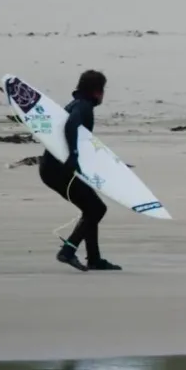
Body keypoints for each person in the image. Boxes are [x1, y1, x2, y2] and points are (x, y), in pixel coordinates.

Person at [38, 69, 122, 272]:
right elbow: (71, 125)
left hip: (52, 168)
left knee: (92, 208)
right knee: (97, 209)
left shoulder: (75, 103)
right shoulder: (83, 107)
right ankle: (68, 251)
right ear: (97, 91)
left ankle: (94, 259)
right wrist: (73, 155)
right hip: (59, 170)